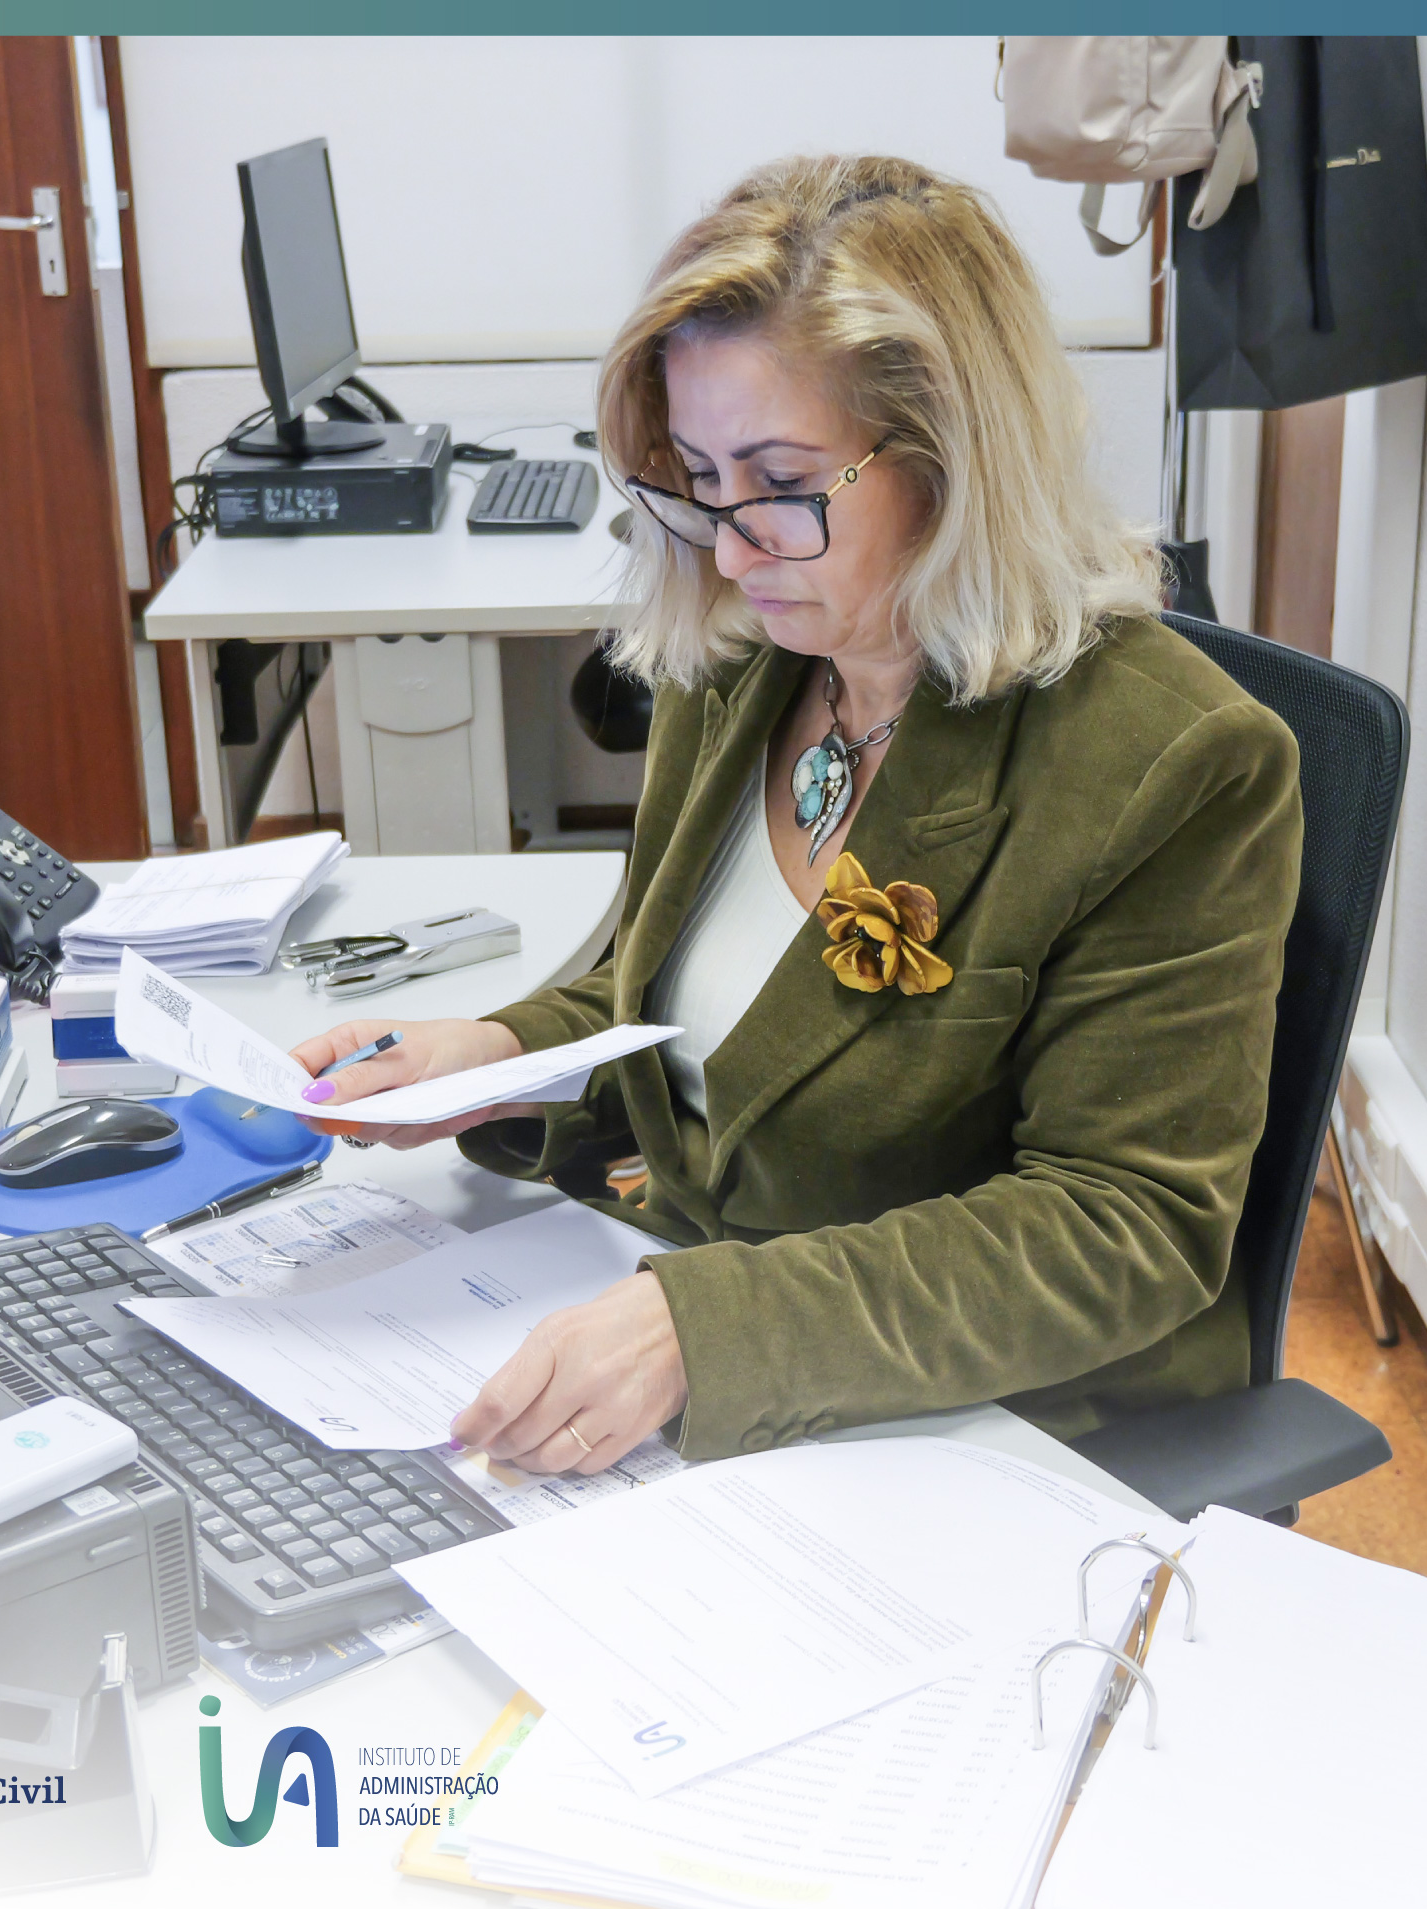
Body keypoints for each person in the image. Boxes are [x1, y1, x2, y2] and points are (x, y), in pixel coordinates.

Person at [290, 155, 1301, 1477]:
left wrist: (703, 1330)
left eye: (778, 482)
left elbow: (1123, 1226)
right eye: (700, 478)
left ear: (953, 461)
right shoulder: (747, 661)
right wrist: (491, 1055)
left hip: (983, 1426)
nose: (728, 546)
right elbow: (691, 1007)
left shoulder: (1175, 764)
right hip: (716, 1352)